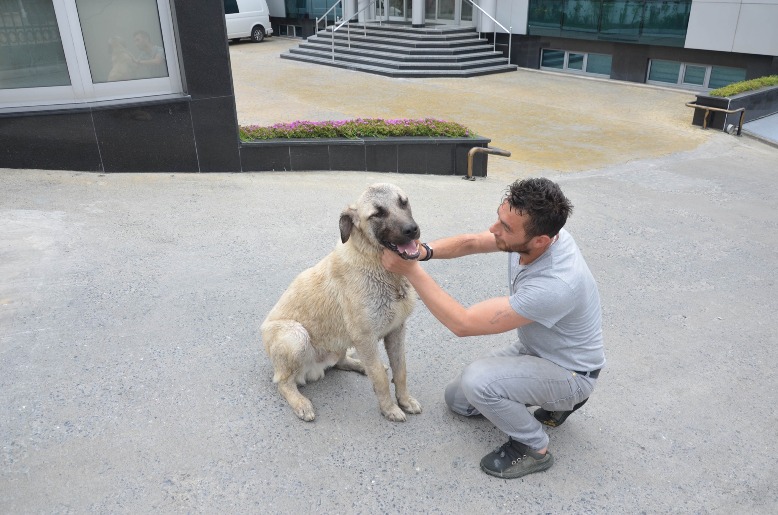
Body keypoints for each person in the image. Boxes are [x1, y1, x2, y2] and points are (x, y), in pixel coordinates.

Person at [381, 177, 605, 479]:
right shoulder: (540, 234)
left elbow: (463, 323)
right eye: (500, 218)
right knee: (459, 401)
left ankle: (534, 447)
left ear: (540, 240)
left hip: (572, 372)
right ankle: (552, 401)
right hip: (537, 350)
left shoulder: (556, 283)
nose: (494, 230)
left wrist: (411, 270)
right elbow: (474, 242)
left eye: (506, 228)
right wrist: (422, 252)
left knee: (479, 382)